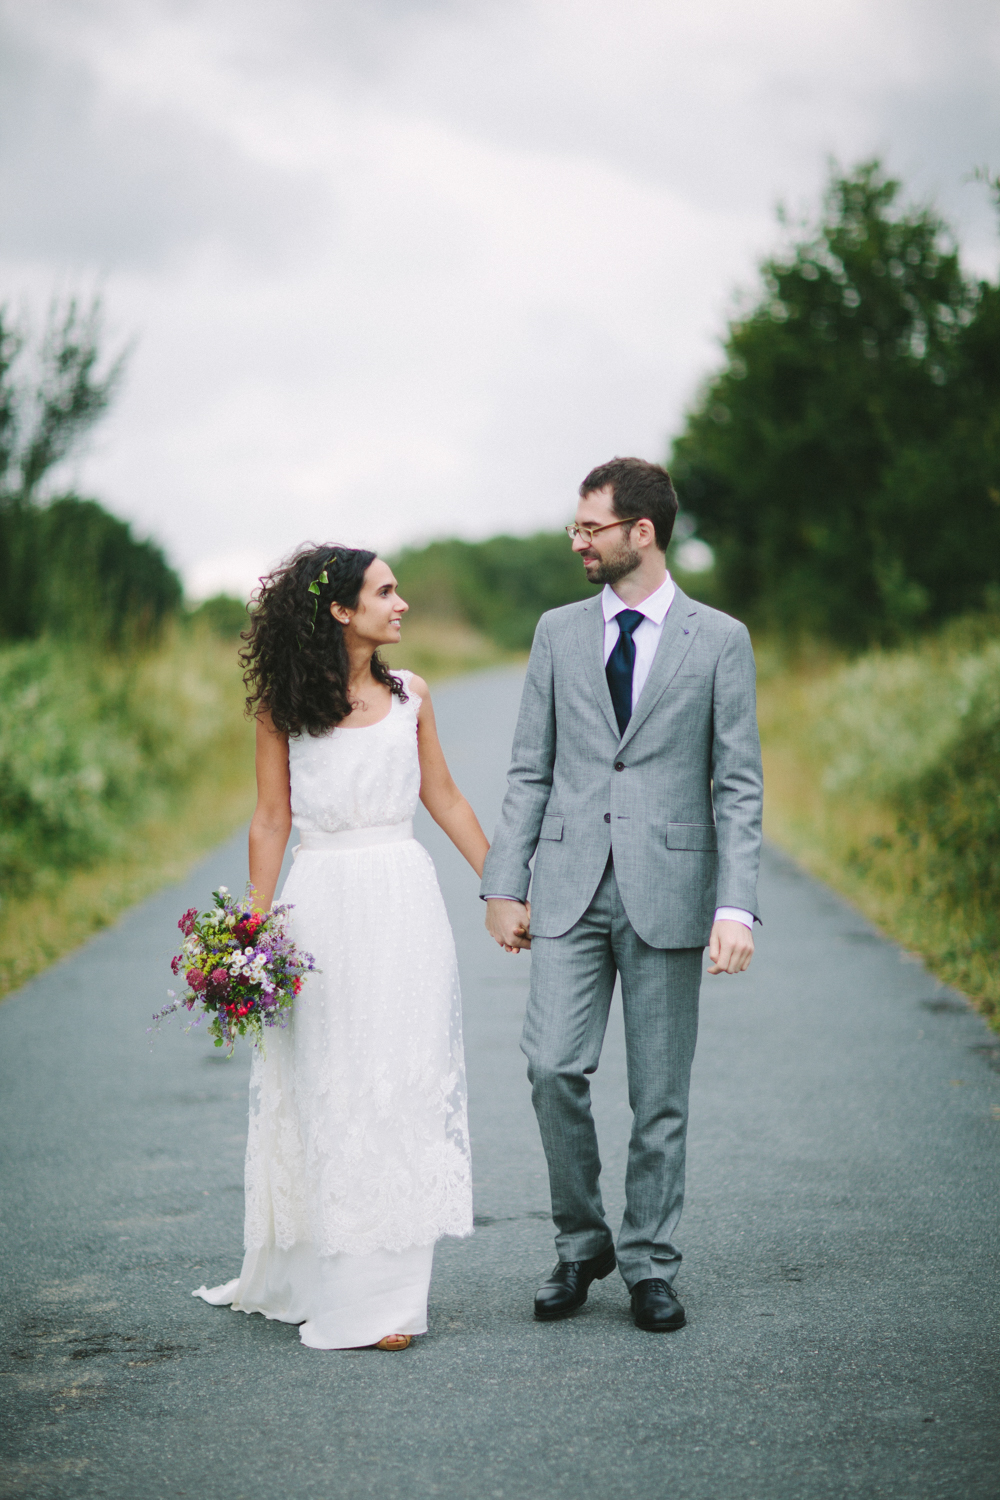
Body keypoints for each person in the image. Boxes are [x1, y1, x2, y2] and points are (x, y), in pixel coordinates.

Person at [481, 458, 762, 1333]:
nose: (577, 540)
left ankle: (648, 1263)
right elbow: (530, 769)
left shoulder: (720, 640)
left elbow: (738, 784)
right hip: (566, 889)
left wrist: (735, 904)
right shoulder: (557, 632)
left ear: (641, 532)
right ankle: (581, 1243)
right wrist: (504, 882)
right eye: (576, 526)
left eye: (590, 527)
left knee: (660, 1094)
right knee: (551, 1067)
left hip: (672, 889)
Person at [195, 544, 488, 1351]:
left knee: (401, 1083)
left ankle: (386, 1298)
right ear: (339, 611)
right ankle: (327, 1274)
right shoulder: (282, 709)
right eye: (385, 592)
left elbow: (446, 797)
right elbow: (270, 820)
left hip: (402, 903)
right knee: (329, 1084)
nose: (400, 604)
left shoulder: (413, 697)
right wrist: (249, 934)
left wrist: (503, 885)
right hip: (318, 907)